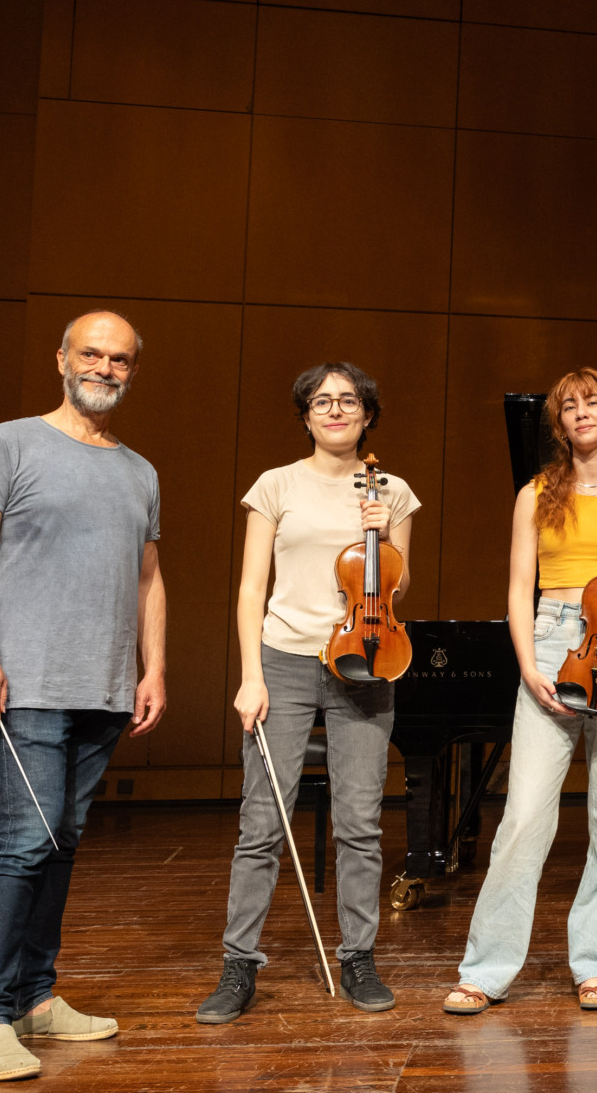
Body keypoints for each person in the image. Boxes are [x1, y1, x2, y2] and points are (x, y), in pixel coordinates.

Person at [0, 310, 167, 1082]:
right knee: (24, 843)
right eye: (92, 354)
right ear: (62, 359)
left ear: (133, 371)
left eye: (120, 359)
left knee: (62, 843)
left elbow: (147, 580)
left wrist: (154, 669)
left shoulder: (140, 471)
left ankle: (36, 998)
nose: (104, 367)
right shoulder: (6, 444)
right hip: (28, 681)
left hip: (103, 689)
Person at [445, 367, 597, 1015]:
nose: (580, 413)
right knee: (522, 819)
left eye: (592, 402)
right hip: (551, 642)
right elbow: (520, 590)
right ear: (559, 423)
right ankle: (487, 969)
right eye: (568, 406)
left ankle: (594, 962)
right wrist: (528, 664)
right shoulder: (536, 493)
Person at [196, 363, 419, 1023]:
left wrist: (381, 532)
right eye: (322, 401)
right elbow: (248, 590)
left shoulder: (393, 491)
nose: (335, 410)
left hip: (367, 658)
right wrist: (249, 675)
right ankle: (239, 967)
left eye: (348, 401)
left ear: (367, 414)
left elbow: (396, 590)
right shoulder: (276, 486)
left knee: (360, 823)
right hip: (285, 661)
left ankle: (359, 958)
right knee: (261, 824)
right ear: (306, 414)